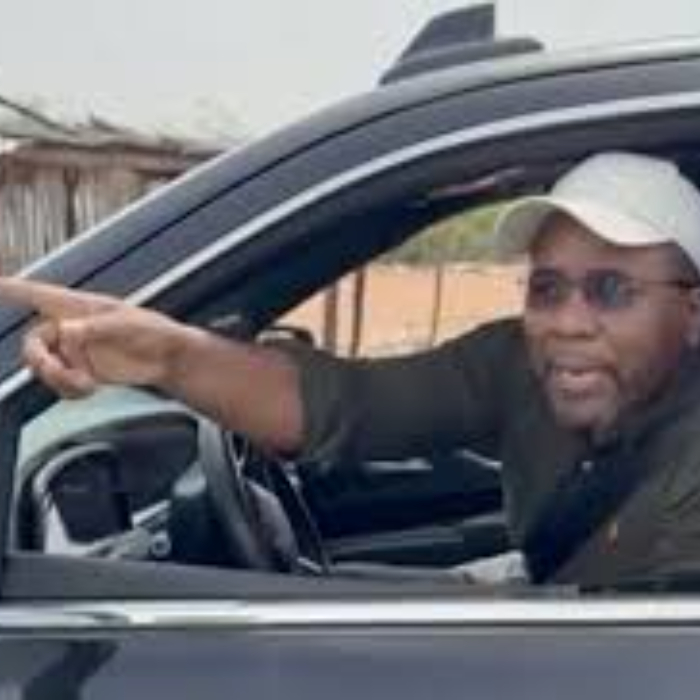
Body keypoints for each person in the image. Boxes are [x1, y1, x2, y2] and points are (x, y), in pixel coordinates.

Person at [4, 151, 700, 589]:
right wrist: (169, 356)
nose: (568, 322)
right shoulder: (517, 361)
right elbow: (348, 403)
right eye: (546, 288)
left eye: (613, 290)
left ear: (693, 313)